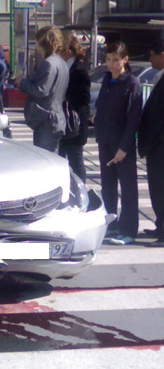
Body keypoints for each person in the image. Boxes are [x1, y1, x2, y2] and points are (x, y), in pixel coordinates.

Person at [94, 41, 143, 245]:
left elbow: (134, 119)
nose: (111, 64)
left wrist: (124, 147)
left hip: (122, 145)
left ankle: (129, 230)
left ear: (125, 60)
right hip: (105, 140)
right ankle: (111, 226)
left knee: (128, 188)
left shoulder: (132, 84)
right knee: (108, 187)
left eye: (116, 59)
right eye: (108, 59)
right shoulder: (107, 79)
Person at [15, 25, 69, 153]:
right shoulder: (61, 62)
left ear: (42, 42)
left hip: (47, 121)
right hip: (55, 118)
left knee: (45, 159)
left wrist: (22, 82)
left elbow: (41, 90)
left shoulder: (49, 63)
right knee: (53, 157)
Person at [137, 39, 164, 247]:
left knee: (161, 188)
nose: (149, 59)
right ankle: (160, 225)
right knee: (156, 188)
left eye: (152, 55)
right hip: (155, 146)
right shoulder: (159, 76)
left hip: (160, 146)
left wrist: (150, 141)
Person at [58, 36, 91, 182]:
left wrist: (66, 97)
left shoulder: (78, 70)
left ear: (68, 51)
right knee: (60, 160)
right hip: (65, 123)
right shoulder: (68, 68)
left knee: (76, 162)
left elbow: (84, 99)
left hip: (74, 124)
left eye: (60, 50)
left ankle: (81, 193)